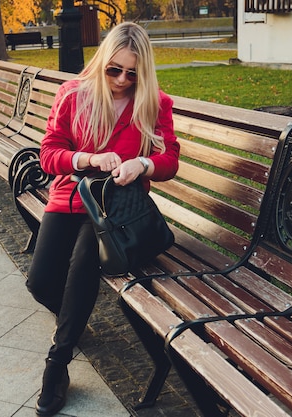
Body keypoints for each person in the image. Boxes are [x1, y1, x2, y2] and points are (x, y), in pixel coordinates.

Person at [26, 22, 180, 416]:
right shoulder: (73, 94)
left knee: (83, 265)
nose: (122, 80)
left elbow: (169, 162)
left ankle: (56, 365)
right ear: (102, 61)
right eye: (114, 69)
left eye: (133, 73)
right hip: (69, 199)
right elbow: (49, 154)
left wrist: (142, 165)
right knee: (40, 282)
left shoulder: (154, 103)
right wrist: (88, 159)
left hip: (118, 213)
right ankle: (73, 323)